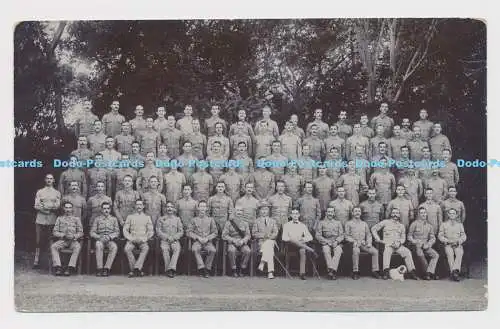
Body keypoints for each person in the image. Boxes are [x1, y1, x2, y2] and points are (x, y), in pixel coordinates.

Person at [371, 208, 419, 280]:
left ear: (399, 215)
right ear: (391, 214)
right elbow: (373, 229)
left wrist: (399, 243)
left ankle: (412, 272)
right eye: (393, 213)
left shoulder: (401, 226)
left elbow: (403, 238)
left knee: (407, 252)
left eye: (397, 213)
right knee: (386, 252)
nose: (395, 215)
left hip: (398, 245)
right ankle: (386, 272)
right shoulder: (385, 222)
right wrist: (378, 239)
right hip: (388, 244)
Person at [33, 174, 61, 269]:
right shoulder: (40, 192)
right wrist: (48, 209)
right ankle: (36, 261)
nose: (49, 180)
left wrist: (44, 206)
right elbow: (36, 205)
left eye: (51, 179)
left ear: (53, 180)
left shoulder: (57, 193)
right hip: (40, 219)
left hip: (52, 220)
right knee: (38, 241)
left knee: (51, 240)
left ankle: (53, 262)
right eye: (47, 178)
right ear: (45, 180)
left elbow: (57, 205)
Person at [345, 206, 380, 279]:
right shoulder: (348, 223)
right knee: (356, 251)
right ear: (352, 213)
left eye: (359, 211)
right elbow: (346, 236)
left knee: (375, 251)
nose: (357, 213)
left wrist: (369, 242)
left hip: (363, 243)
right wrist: (354, 241)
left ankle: (375, 270)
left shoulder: (364, 223)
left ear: (361, 213)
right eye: (356, 211)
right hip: (354, 244)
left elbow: (368, 235)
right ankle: (355, 271)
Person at [281, 208, 317, 280]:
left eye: (296, 214)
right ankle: (312, 250)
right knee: (295, 241)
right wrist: (292, 239)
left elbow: (310, 237)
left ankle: (302, 273)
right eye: (293, 214)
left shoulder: (302, 225)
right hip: (290, 245)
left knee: (303, 251)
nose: (295, 215)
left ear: (299, 215)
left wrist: (302, 239)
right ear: (291, 215)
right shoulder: (286, 225)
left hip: (300, 244)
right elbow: (284, 237)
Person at [50, 201, 83, 276]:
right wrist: (63, 235)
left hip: (73, 240)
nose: (68, 209)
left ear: (72, 209)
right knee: (53, 246)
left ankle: (70, 267)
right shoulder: (59, 218)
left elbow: (81, 232)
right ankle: (58, 267)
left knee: (77, 247)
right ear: (64, 208)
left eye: (69, 207)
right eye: (66, 207)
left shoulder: (76, 219)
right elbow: (54, 232)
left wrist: (74, 236)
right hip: (63, 240)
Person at [123, 199, 154, 277]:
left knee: (146, 248)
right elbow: (125, 230)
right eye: (137, 205)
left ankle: (134, 269)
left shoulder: (147, 217)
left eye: (140, 205)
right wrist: (131, 238)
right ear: (135, 206)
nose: (139, 206)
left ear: (143, 206)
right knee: (127, 248)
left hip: (142, 240)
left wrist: (144, 239)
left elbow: (150, 231)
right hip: (132, 239)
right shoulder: (130, 217)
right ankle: (137, 269)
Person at [188, 200, 218, 278]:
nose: (202, 208)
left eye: (204, 206)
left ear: (206, 208)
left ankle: (207, 269)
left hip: (207, 242)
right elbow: (189, 232)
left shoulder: (210, 219)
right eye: (201, 206)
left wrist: (207, 238)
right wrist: (198, 238)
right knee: (195, 249)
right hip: (197, 241)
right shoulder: (194, 219)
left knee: (213, 250)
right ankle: (202, 268)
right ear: (198, 208)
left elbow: (215, 232)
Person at [407, 207, 440, 280]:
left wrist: (429, 244)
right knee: (420, 253)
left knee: (436, 255)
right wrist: (416, 241)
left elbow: (432, 238)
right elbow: (409, 236)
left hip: (426, 245)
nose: (423, 214)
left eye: (424, 213)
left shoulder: (429, 226)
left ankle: (429, 273)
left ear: (426, 214)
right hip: (416, 245)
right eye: (421, 213)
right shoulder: (414, 224)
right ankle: (428, 273)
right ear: (418, 214)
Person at [89, 202, 120, 277]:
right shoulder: (97, 219)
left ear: (110, 210)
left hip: (110, 240)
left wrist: (110, 237)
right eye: (104, 208)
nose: (106, 210)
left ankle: (107, 268)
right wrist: (99, 237)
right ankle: (99, 268)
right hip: (100, 239)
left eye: (108, 209)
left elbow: (117, 232)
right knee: (98, 245)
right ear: (101, 210)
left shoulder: (114, 219)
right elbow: (92, 232)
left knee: (114, 247)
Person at [156, 201, 184, 277]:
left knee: (177, 248)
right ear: (165, 209)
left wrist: (174, 237)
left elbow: (181, 231)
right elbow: (158, 231)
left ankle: (171, 269)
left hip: (174, 240)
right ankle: (170, 270)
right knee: (165, 249)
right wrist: (167, 237)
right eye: (168, 207)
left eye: (171, 207)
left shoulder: (177, 219)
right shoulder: (161, 219)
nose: (169, 208)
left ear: (174, 209)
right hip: (165, 240)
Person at [252, 201, 279, 279]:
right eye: (262, 210)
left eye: (266, 209)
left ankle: (262, 262)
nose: (264, 211)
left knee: (269, 243)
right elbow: (254, 233)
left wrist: (270, 237)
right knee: (269, 250)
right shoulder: (256, 221)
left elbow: (275, 232)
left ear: (268, 211)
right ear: (260, 211)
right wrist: (263, 236)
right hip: (260, 243)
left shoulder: (273, 221)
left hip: (271, 242)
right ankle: (270, 272)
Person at [315, 206, 344, 280]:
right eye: (329, 212)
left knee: (339, 250)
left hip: (335, 242)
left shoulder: (338, 223)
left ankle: (331, 270)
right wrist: (326, 242)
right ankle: (332, 271)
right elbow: (317, 235)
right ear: (326, 213)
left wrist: (337, 241)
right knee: (326, 250)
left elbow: (341, 235)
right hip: (326, 242)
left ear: (334, 213)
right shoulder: (321, 223)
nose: (330, 213)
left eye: (331, 212)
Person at [222, 206, 251, 277]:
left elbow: (248, 235)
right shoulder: (228, 223)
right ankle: (233, 269)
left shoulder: (245, 223)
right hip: (232, 242)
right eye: (237, 211)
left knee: (247, 250)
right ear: (234, 212)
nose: (239, 212)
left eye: (241, 211)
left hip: (242, 242)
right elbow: (224, 235)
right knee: (231, 250)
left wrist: (243, 241)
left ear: (243, 213)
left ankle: (242, 269)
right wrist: (233, 240)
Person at [438, 208, 467, 281]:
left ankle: (454, 272)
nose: (452, 215)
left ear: (456, 215)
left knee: (460, 253)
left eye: (453, 213)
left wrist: (459, 241)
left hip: (457, 244)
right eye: (450, 213)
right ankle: (455, 273)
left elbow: (464, 236)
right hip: (448, 244)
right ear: (448, 214)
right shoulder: (444, 224)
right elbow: (440, 235)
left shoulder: (460, 225)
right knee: (450, 254)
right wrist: (447, 241)